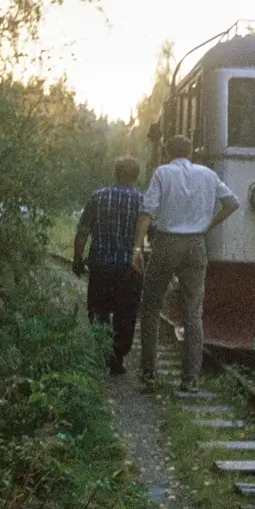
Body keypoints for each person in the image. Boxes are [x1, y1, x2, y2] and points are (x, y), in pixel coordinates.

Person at [133, 135, 240, 392]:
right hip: (195, 245)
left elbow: (147, 212)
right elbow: (232, 203)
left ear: (167, 151)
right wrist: (208, 225)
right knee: (193, 312)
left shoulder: (162, 173)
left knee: (150, 307)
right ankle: (190, 379)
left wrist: (137, 247)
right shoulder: (207, 175)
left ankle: (149, 373)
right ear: (191, 152)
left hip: (166, 243)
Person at [73, 156, 144, 376]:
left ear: (116, 173)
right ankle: (118, 359)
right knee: (126, 313)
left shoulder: (98, 197)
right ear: (136, 176)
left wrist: (77, 258)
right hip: (129, 269)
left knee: (98, 310)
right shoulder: (143, 201)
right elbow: (153, 233)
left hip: (101, 265)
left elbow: (83, 231)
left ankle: (102, 353)